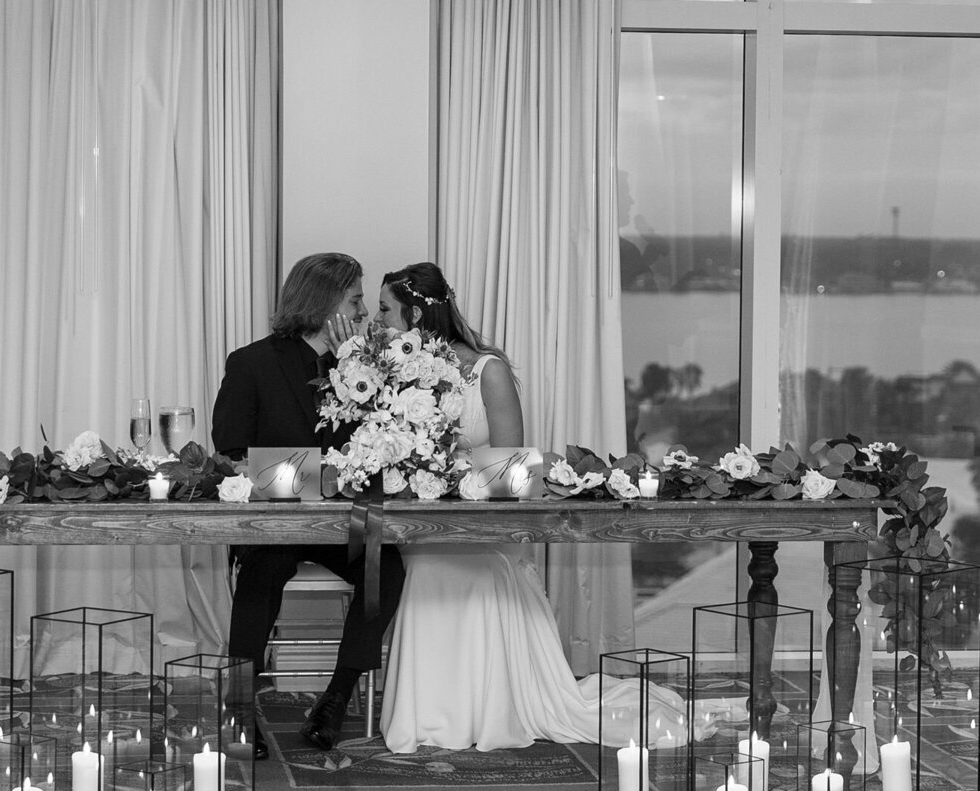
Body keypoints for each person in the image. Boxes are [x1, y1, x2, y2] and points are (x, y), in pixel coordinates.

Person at [375, 262, 694, 754]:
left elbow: (512, 470)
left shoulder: (488, 369)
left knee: (469, 568)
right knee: (423, 566)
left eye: (385, 311)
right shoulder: (393, 371)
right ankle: (432, 714)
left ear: (415, 314)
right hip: (424, 524)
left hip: (484, 524)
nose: (378, 322)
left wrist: (449, 469)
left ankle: (483, 709)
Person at [211, 252, 407, 758]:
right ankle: (238, 705)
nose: (363, 312)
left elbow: (383, 444)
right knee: (266, 566)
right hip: (271, 524)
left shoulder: (366, 368)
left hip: (342, 525)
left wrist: (354, 371)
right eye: (355, 300)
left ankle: (335, 699)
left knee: (384, 564)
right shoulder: (251, 363)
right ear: (323, 305)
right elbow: (230, 453)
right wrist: (301, 475)